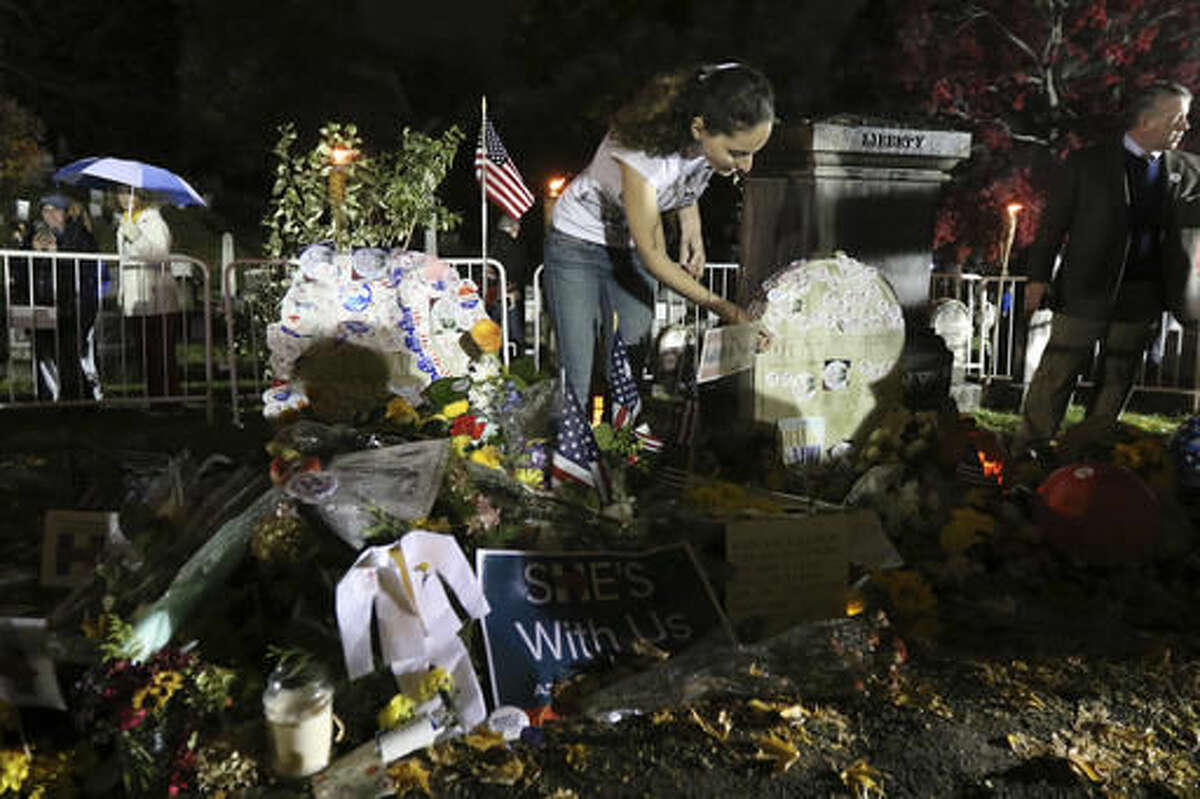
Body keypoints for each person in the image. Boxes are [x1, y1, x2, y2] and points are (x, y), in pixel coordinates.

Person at [544, 61, 774, 406]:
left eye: (754, 153)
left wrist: (691, 226)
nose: (746, 166)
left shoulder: (718, 98)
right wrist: (724, 308)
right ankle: (567, 455)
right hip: (577, 244)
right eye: (738, 153)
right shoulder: (643, 154)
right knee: (576, 373)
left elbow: (685, 176)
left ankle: (620, 454)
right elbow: (654, 255)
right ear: (699, 128)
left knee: (628, 371)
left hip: (631, 248)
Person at [1015, 81, 1200, 458]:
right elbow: (1052, 227)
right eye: (1177, 118)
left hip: (1144, 293)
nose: (1186, 126)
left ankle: (1088, 449)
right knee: (1059, 369)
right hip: (1086, 288)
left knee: (1119, 375)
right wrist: (1038, 278)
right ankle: (1030, 449)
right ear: (1146, 120)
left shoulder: (1191, 170)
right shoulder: (1087, 164)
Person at [15, 193, 100, 400]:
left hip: (71, 305)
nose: (50, 215)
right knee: (45, 352)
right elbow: (19, 268)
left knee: (67, 353)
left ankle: (79, 397)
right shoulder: (34, 235)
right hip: (41, 302)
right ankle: (48, 397)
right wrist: (33, 252)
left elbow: (86, 266)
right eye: (46, 210)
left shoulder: (77, 234)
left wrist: (58, 252)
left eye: (56, 210)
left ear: (65, 213)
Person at [114, 189, 179, 397]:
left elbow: (160, 254)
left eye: (128, 193)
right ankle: (156, 399)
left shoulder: (154, 222)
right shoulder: (125, 222)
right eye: (120, 193)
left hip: (157, 297)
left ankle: (169, 400)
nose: (123, 198)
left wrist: (136, 236)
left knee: (161, 353)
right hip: (138, 299)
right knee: (147, 353)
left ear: (140, 196)